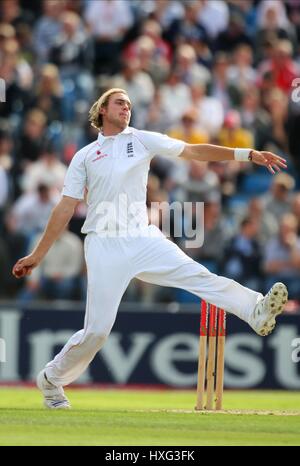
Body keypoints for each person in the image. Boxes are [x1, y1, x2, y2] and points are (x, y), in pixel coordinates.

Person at [12, 88, 288, 409]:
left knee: (198, 275)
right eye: (120, 103)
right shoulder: (85, 156)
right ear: (102, 110)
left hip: (143, 237)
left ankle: (256, 310)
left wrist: (246, 154)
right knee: (98, 332)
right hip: (104, 243)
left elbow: (193, 151)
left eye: (129, 104)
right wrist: (37, 256)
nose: (126, 108)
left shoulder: (142, 139)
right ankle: (52, 381)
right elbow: (64, 208)